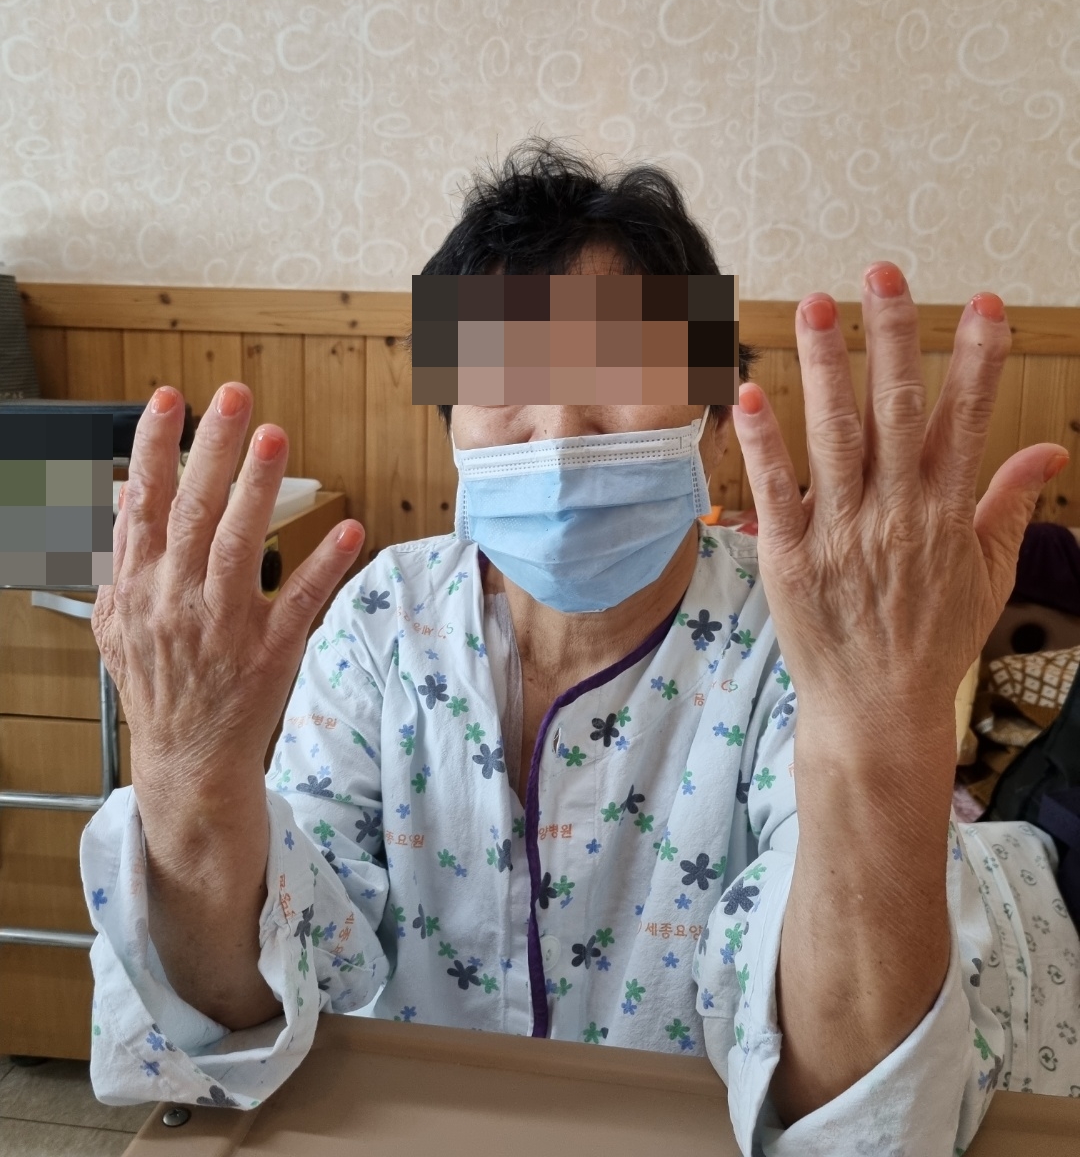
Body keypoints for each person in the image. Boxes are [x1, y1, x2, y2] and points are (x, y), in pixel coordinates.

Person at [81, 142, 1080, 1155]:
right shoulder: (384, 618)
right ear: (449, 419)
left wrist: (884, 728)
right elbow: (253, 1003)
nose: (559, 429)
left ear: (713, 414)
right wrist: (187, 771)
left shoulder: (797, 636)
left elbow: (847, 1103)